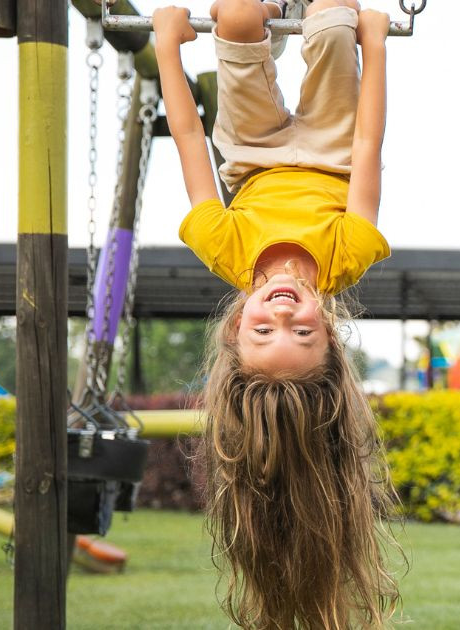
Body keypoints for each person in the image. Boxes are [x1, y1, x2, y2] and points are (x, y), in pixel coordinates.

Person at [152, 1, 398, 626]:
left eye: (264, 330)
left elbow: (187, 140)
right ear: (332, 335)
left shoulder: (224, 249)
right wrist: (377, 45)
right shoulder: (349, 253)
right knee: (337, 24)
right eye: (303, 331)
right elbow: (369, 142)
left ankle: (269, 12)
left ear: (237, 326)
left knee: (233, 17)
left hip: (251, 151)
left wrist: (168, 46)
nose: (282, 314)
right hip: (334, 148)